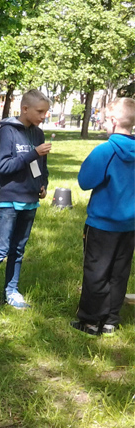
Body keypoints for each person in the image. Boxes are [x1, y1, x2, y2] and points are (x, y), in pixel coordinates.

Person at [0, 89, 52, 312]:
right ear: (24, 109)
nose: (43, 116)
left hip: (30, 199)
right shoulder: (7, 133)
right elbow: (3, 167)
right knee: (2, 248)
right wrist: (33, 153)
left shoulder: (38, 134)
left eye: (46, 112)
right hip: (10, 199)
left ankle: (11, 291)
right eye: (39, 111)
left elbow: (40, 166)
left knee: (18, 249)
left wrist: (42, 183)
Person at [71, 98, 135, 335]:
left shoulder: (105, 151)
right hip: (129, 226)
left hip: (102, 225)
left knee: (96, 272)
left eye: (105, 119)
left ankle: (89, 320)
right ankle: (110, 321)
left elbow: (85, 182)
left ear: (114, 121)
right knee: (120, 273)